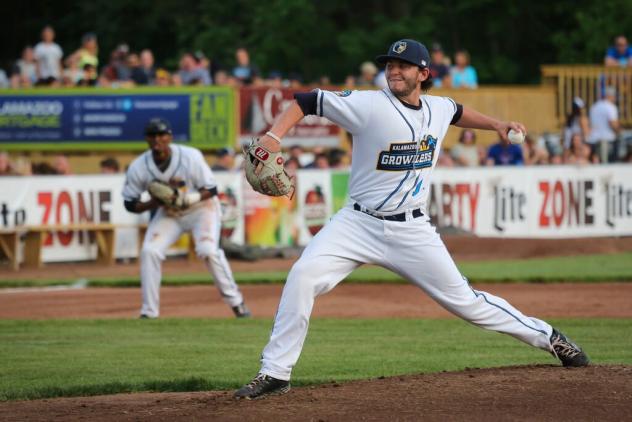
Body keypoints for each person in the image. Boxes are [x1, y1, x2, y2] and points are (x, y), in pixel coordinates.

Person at [234, 38, 589, 400]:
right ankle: (276, 373)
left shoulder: (437, 108)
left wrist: (496, 124)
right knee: (303, 276)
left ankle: (550, 338)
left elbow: (457, 111)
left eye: (402, 65)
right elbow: (307, 101)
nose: (393, 70)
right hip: (356, 224)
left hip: (412, 229)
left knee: (468, 303)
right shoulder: (369, 104)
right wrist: (273, 136)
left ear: (423, 73)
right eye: (390, 64)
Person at [122, 118, 249, 319]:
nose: (157, 139)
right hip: (170, 213)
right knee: (149, 251)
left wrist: (186, 199)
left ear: (169, 137)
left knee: (208, 250)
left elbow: (211, 189)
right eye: (152, 135)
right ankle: (149, 313)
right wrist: (154, 203)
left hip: (201, 208)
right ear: (147, 138)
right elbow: (130, 203)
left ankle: (237, 303)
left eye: (161, 134)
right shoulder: (139, 166)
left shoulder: (189, 156)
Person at [587, 86, 620, 163]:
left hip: (594, 140)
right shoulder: (611, 107)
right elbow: (613, 123)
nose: (615, 98)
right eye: (614, 96)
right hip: (608, 141)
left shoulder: (594, 106)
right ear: (610, 96)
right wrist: (619, 132)